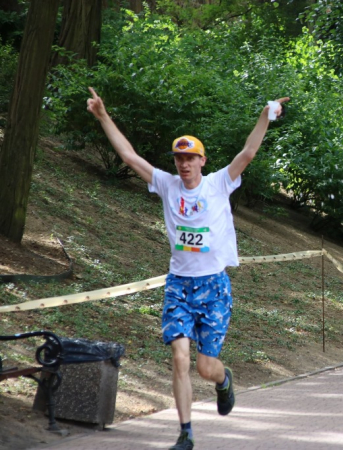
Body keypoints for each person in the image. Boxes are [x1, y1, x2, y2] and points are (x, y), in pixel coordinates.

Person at [87, 87, 289, 450]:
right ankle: (185, 432)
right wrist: (103, 115)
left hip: (213, 287)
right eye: (179, 158)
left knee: (204, 367)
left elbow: (249, 152)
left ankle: (224, 379)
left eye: (190, 158)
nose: (183, 164)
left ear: (202, 161)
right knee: (179, 357)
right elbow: (129, 156)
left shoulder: (218, 184)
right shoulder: (166, 185)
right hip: (179, 285)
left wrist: (265, 115)